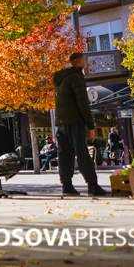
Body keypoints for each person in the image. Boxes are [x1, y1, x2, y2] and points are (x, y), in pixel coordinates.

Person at [53, 52, 108, 196]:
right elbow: (83, 104)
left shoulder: (60, 79)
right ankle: (92, 185)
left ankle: (67, 185)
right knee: (82, 153)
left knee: (65, 155)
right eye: (84, 60)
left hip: (60, 122)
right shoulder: (76, 77)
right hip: (74, 122)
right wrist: (90, 126)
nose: (86, 63)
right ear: (80, 63)